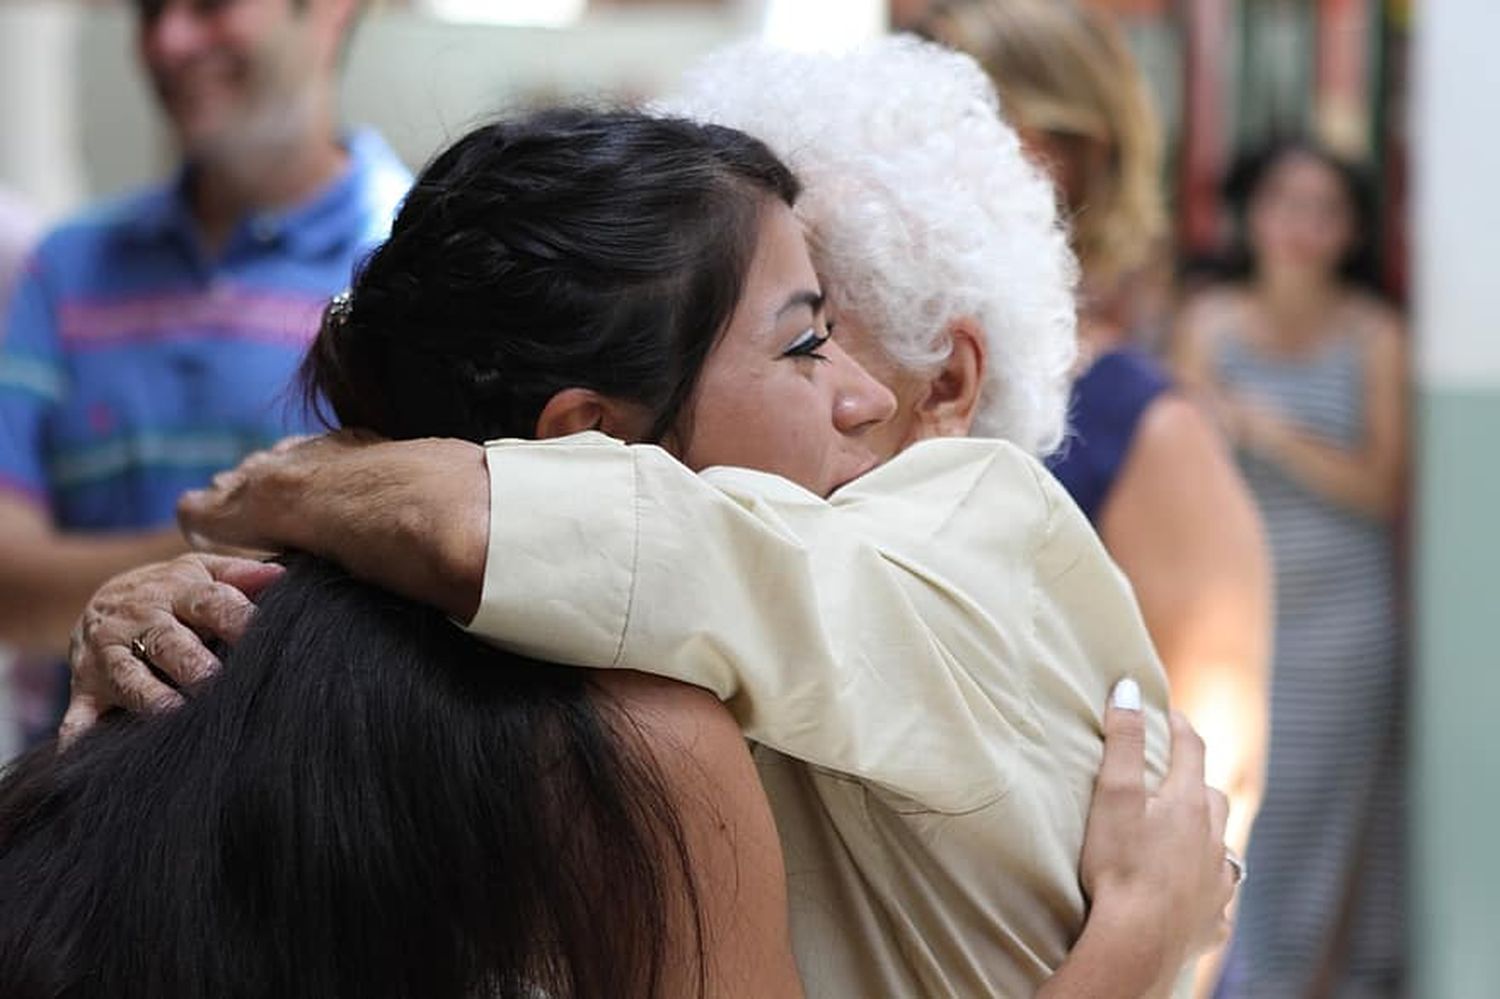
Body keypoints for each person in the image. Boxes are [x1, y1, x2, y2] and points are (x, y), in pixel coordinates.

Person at [52, 106, 1229, 998]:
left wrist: (310, 492)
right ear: (587, 438)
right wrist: (1128, 955)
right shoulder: (648, 730)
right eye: (809, 341)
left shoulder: (967, 527)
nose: (861, 394)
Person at [909, 0, 1271, 855]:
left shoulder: (1144, 421)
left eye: (955, 116)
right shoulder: (877, 386)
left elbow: (1213, 788)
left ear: (1064, 154)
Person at [0, 0, 410, 739]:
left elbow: (423, 579)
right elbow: (7, 583)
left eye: (209, 6)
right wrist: (298, 527)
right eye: (149, 12)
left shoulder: (410, 265)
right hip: (76, 821)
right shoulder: (64, 266)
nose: (168, 43)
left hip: (327, 807)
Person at [1174, 139, 1407, 998]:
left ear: (1352, 228)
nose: (1302, 228)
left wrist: (1269, 430)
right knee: (1225, 809)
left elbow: (1380, 484)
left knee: (1317, 820)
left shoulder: (1375, 335)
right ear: (1251, 213)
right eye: (1284, 203)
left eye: (1326, 209)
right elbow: (1188, 475)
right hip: (1233, 614)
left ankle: (1288, 981)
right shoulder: (1206, 324)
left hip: (1341, 620)